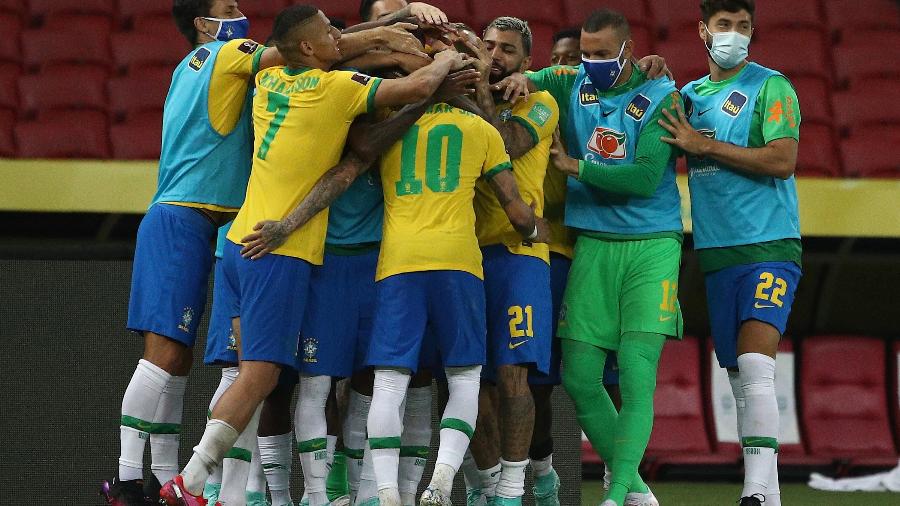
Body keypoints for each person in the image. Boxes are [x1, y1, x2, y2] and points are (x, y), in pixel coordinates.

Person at [157, 5, 471, 505]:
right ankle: (189, 483)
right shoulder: (337, 89)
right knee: (260, 376)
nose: (336, 36)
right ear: (307, 47)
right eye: (327, 32)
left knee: (245, 374)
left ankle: (212, 489)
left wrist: (391, 28)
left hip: (238, 243)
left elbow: (343, 47)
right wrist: (447, 59)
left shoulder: (272, 81)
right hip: (278, 251)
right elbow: (415, 88)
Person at [535, 8, 684, 506]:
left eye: (602, 54)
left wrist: (575, 165)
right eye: (586, 54)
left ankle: (617, 494)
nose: (592, 63)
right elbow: (525, 75)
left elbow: (643, 179)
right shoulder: (571, 81)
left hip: (652, 246)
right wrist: (514, 80)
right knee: (578, 376)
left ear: (627, 49)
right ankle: (639, 493)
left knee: (638, 372)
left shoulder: (663, 93)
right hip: (594, 244)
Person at [658, 1, 802, 505]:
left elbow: (783, 160)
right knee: (741, 379)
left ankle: (753, 494)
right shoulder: (690, 96)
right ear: (703, 30)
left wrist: (705, 147)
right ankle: (771, 495)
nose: (734, 35)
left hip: (770, 246)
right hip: (717, 254)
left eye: (743, 27)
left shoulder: (772, 86)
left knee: (756, 364)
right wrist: (651, 76)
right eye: (724, 26)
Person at [455, 17, 558, 506]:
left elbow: (508, 145)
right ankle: (488, 483)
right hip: (465, 255)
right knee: (467, 378)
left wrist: (480, 88)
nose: (496, 56)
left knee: (515, 376)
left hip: (520, 255)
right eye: (489, 46)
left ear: (527, 63)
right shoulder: (461, 99)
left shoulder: (541, 103)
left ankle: (514, 491)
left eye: (509, 51)